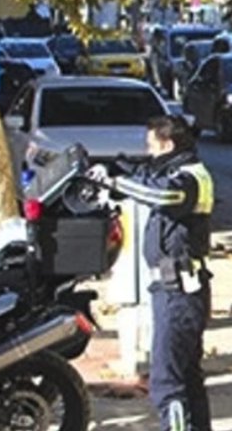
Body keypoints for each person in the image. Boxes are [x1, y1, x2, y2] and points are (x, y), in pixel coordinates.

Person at [87, 116, 213, 431]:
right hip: (173, 289)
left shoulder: (189, 179)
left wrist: (114, 184)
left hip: (180, 290)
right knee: (186, 375)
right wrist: (108, 168)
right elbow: (143, 173)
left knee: (167, 382)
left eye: (151, 146)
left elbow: (164, 196)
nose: (149, 152)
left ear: (167, 145)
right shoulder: (175, 170)